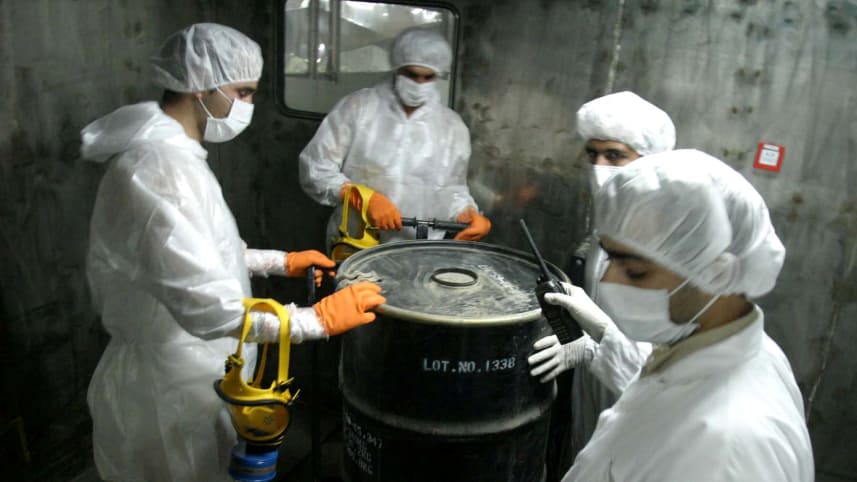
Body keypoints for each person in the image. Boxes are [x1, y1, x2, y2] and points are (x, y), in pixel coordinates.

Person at [82, 23, 385, 482]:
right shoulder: (153, 170)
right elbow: (205, 307)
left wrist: (281, 261)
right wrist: (316, 321)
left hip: (199, 371)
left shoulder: (180, 156)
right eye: (244, 92)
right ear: (201, 85)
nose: (249, 106)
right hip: (165, 396)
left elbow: (201, 256)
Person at [554, 149, 813, 480]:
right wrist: (600, 342)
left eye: (633, 270)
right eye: (610, 259)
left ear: (716, 274)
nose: (607, 281)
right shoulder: (711, 345)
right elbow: (666, 392)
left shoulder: (726, 455)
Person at [527, 90, 675, 477]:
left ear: (650, 159)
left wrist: (593, 348)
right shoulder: (608, 223)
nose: (599, 166)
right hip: (594, 392)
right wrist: (582, 345)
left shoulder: (670, 240)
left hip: (641, 409)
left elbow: (659, 377)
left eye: (614, 155)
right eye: (592, 154)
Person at [298, 27, 491, 248]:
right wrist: (364, 199)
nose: (419, 84)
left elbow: (451, 190)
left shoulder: (452, 127)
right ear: (398, 68)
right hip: (355, 239)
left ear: (438, 75)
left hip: (415, 248)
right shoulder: (358, 108)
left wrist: (468, 214)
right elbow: (315, 169)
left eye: (427, 77)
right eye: (411, 74)